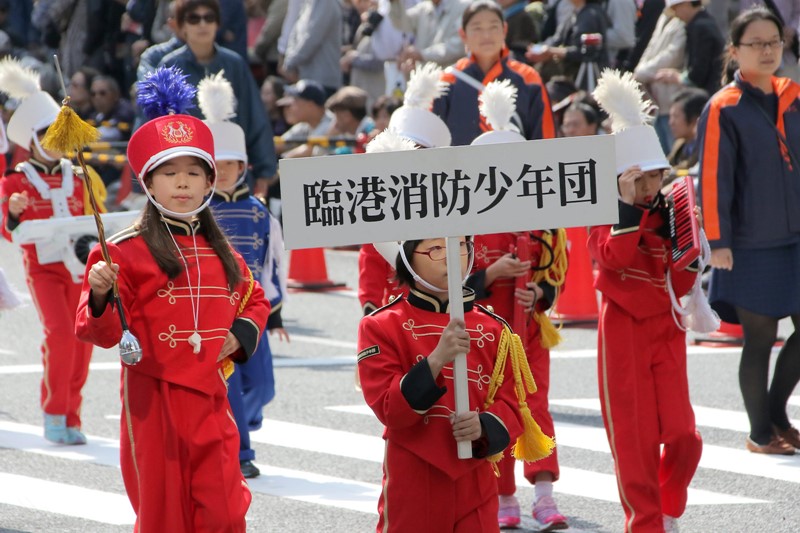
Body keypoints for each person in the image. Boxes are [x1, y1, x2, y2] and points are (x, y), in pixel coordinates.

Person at [75, 66, 269, 531]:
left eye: (193, 173)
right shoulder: (121, 250)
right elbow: (100, 332)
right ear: (148, 182)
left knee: (224, 508)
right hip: (154, 398)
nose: (182, 183)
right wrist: (100, 293)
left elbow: (254, 299)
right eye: (170, 173)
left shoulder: (223, 252)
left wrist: (239, 335)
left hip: (211, 395)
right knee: (164, 513)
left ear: (209, 183)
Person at [357, 136, 554, 530]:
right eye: (435, 249)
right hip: (413, 475)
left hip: (476, 479)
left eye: (461, 245)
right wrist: (436, 360)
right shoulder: (380, 325)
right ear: (407, 258)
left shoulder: (493, 327)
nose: (453, 257)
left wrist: (486, 426)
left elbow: (515, 402)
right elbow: (389, 410)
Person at [590, 69, 704, 533]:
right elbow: (612, 259)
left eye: (655, 176)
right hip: (622, 326)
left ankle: (666, 504)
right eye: (639, 178)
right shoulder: (605, 208)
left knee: (683, 435)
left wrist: (692, 242)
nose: (649, 186)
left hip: (666, 326)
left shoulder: (673, 206)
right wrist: (625, 205)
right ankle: (645, 523)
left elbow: (682, 281)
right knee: (633, 438)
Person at [465, 80, 569, 531]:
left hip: (529, 331)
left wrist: (540, 294)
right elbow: (452, 285)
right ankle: (503, 496)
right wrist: (491, 275)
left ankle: (544, 495)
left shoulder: (542, 217)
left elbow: (556, 272)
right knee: (495, 408)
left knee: (536, 406)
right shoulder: (464, 221)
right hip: (483, 335)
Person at [697, 7, 800, 455]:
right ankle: (761, 432)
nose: (767, 50)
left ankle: (777, 414)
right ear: (735, 50)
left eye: (774, 41)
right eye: (756, 43)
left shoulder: (794, 95)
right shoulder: (723, 106)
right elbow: (712, 178)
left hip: (796, 237)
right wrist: (718, 242)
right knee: (759, 338)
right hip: (748, 244)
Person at [0, 58, 106, 445]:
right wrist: (13, 214)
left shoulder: (79, 175)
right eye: (46, 133)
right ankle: (54, 412)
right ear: (31, 139)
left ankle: (72, 414)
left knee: (83, 340)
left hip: (80, 269)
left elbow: (97, 221)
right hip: (43, 269)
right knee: (60, 335)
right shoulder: (15, 181)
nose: (54, 140)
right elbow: (9, 231)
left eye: (58, 132)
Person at [198, 72, 289, 479]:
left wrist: (278, 311)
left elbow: (274, 261)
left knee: (263, 385)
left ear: (244, 166)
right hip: (217, 312)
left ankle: (239, 424)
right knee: (231, 384)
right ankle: (240, 452)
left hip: (255, 309)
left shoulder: (259, 210)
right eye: (215, 165)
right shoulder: (198, 211)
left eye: (230, 164)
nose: (223, 171)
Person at [158, 0, 277, 198]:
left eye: (209, 18)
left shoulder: (235, 64)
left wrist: (264, 172)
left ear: (218, 24)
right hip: (186, 175)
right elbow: (157, 124)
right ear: (181, 26)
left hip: (234, 178)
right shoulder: (169, 66)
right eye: (194, 19)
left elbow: (255, 117)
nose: (202, 24)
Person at [433, 0, 556, 146]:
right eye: (477, 28)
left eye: (493, 27)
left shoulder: (529, 78)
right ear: (463, 34)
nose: (486, 35)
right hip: (459, 161)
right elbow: (431, 142)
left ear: (504, 30)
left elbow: (545, 141)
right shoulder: (447, 80)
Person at [654, 0, 725, 98]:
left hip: (707, 95)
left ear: (686, 4)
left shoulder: (700, 28)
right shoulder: (705, 22)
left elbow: (697, 74)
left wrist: (676, 77)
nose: (675, 14)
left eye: (675, 8)